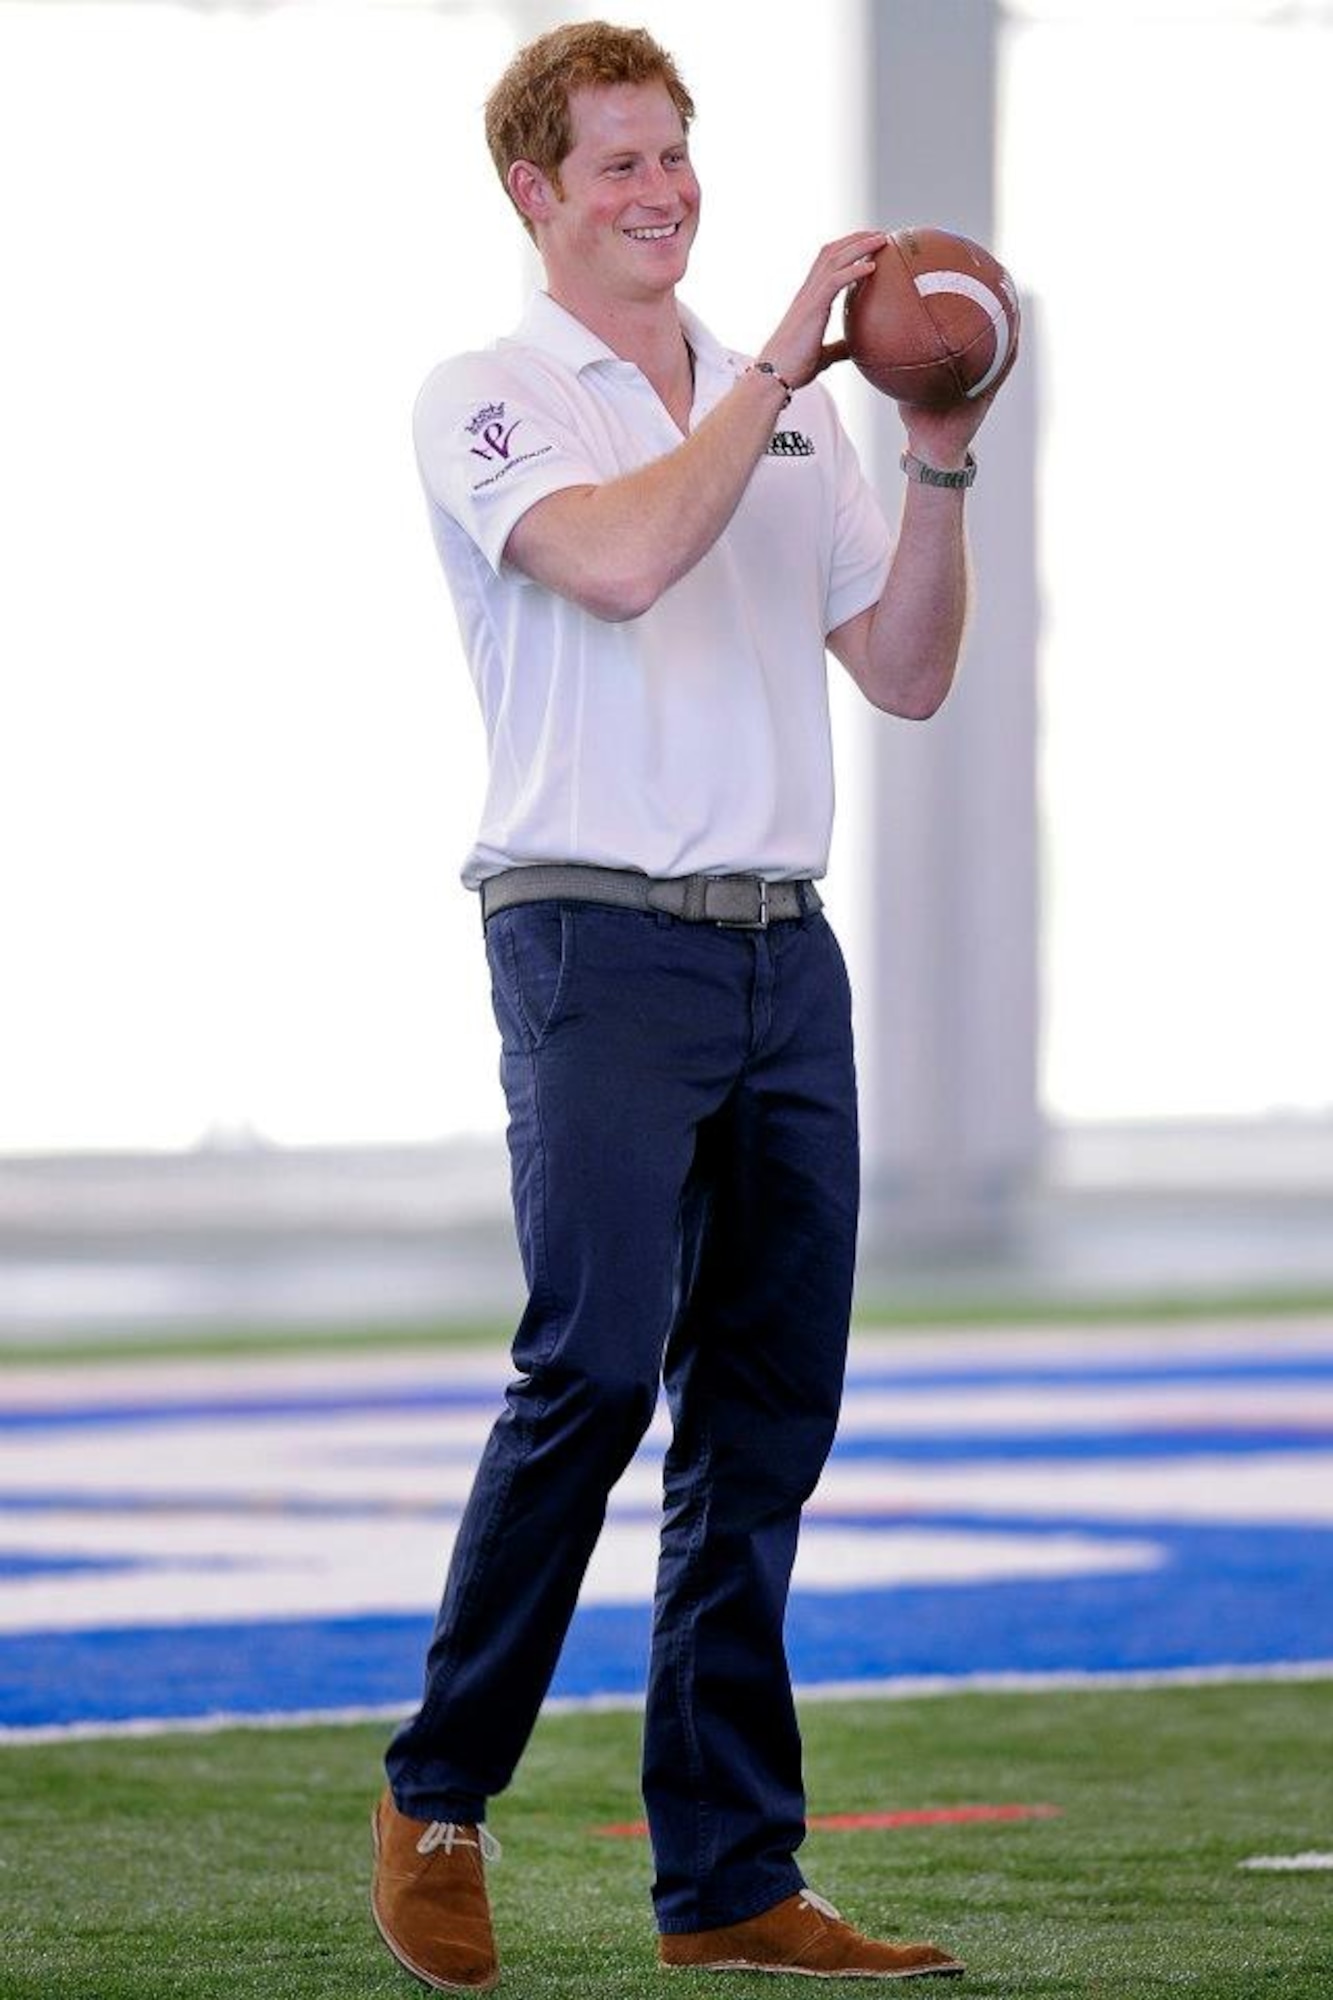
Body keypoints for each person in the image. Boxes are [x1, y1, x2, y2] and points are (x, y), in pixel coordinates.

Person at [372, 19, 1008, 1991]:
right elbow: (630, 562)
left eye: (678, 157)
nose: (661, 191)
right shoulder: (489, 399)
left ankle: (728, 1874)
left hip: (774, 949)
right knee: (590, 1366)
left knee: (763, 1419)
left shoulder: (791, 413)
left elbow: (901, 675)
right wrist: (778, 379)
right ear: (536, 194)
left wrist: (933, 451)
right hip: (591, 938)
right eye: (620, 163)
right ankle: (438, 1791)